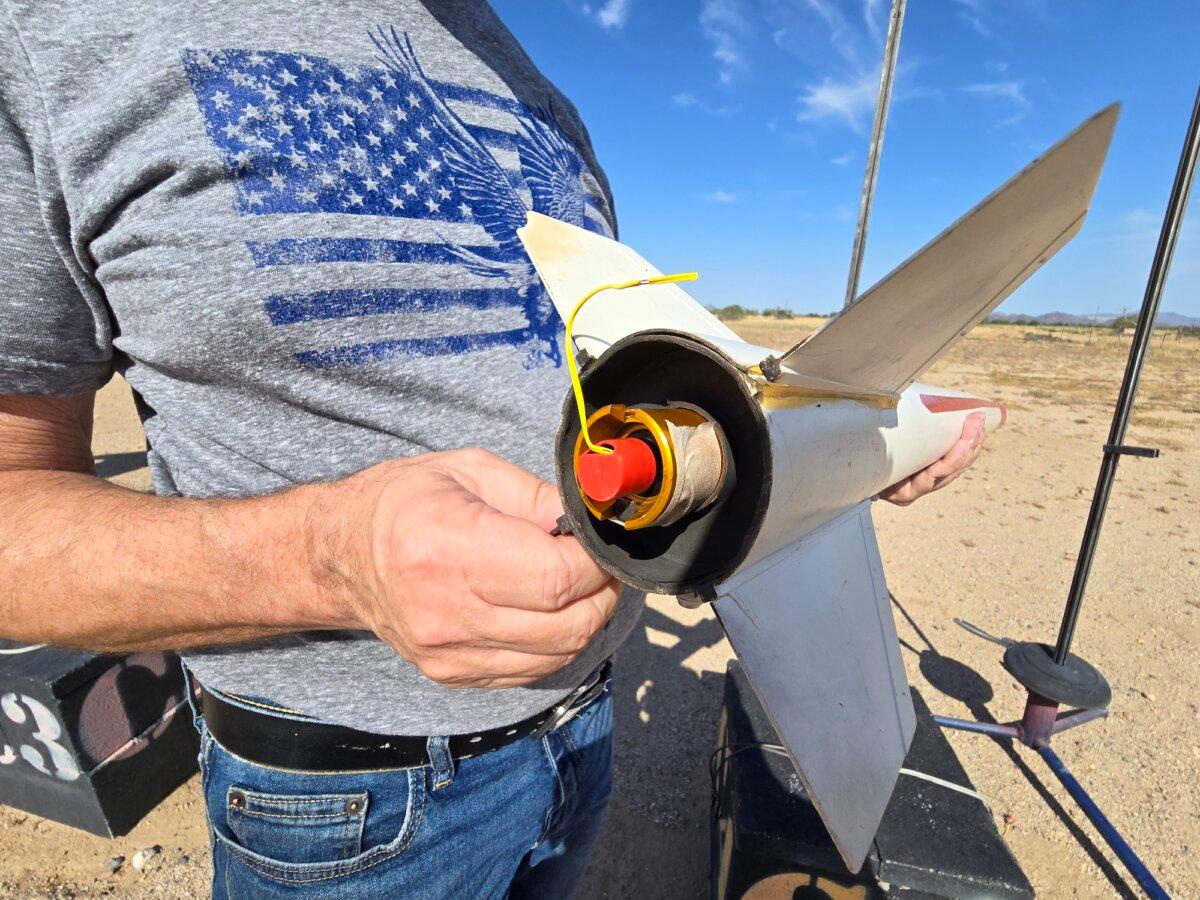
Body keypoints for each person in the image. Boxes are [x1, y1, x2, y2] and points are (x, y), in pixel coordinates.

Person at [0, 2, 986, 896]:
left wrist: (843, 448)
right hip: (343, 810)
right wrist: (325, 561)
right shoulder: (55, 42)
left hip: (583, 729)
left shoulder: (536, 90)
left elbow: (585, 380)